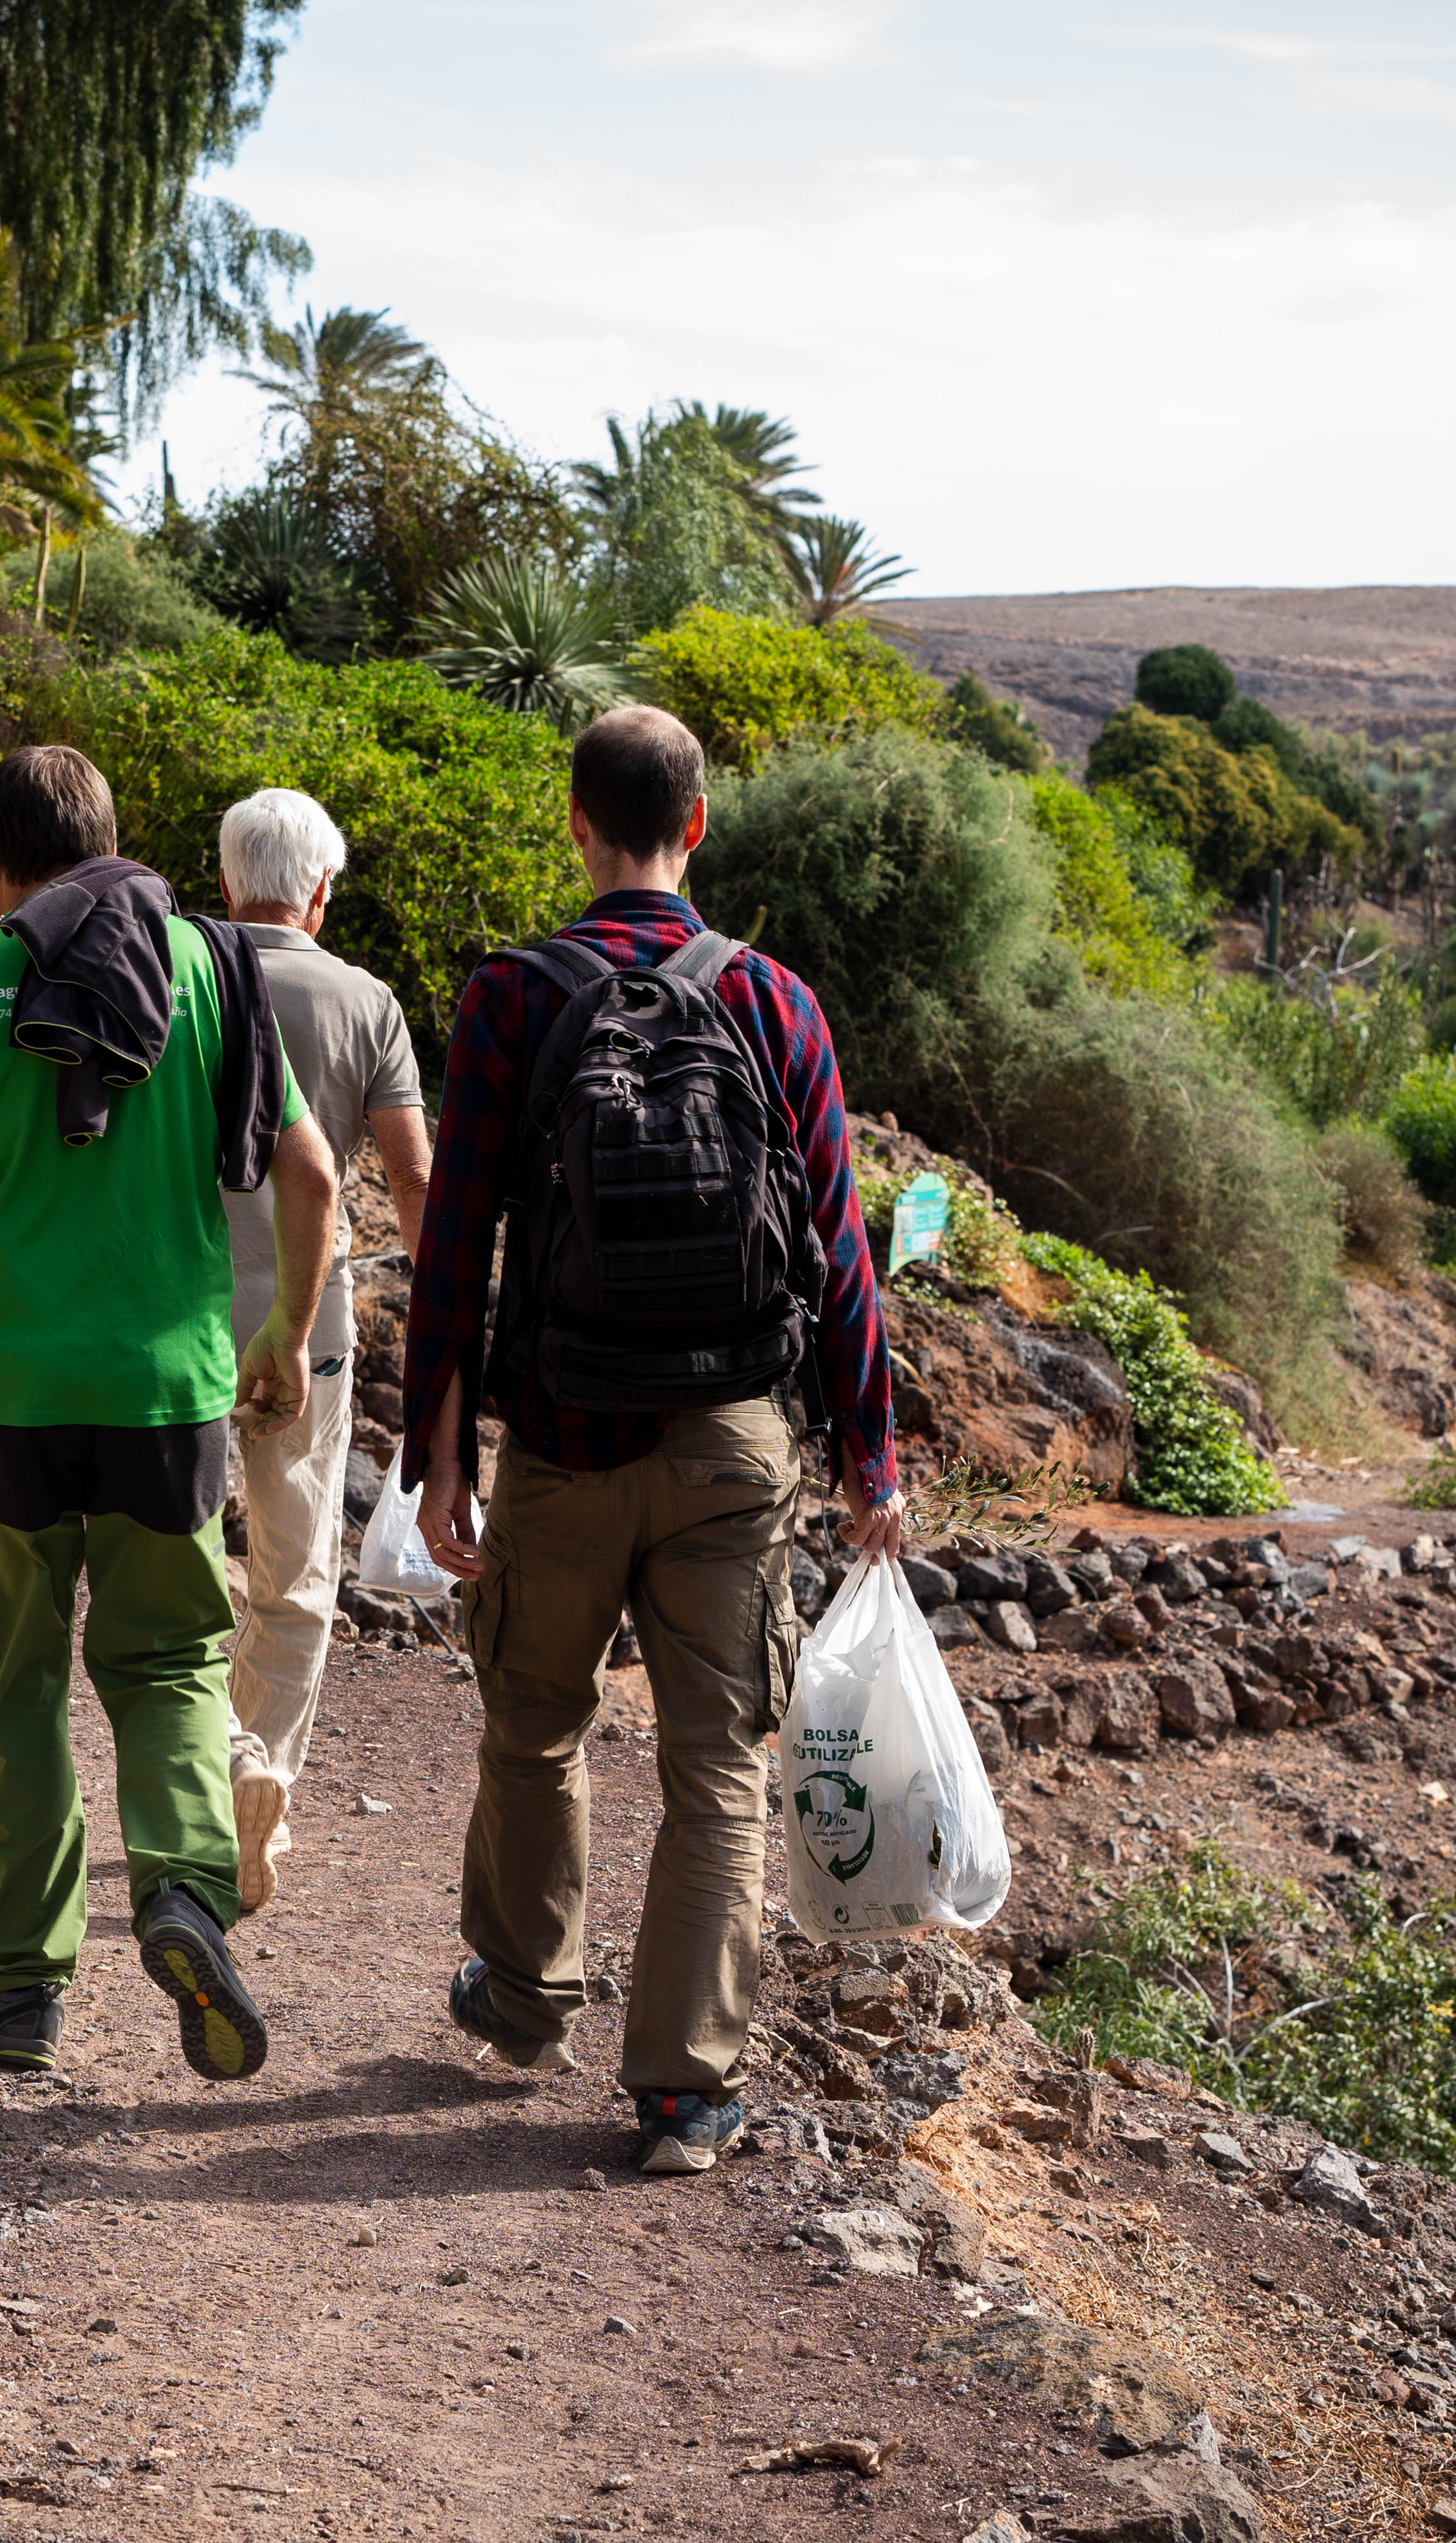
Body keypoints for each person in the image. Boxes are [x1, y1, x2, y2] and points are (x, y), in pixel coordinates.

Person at [402, 703, 903, 2177]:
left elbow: (456, 1238)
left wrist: (440, 1449)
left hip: (561, 1436)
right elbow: (838, 1249)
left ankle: (523, 1994)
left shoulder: (511, 994)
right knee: (715, 1764)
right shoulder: (774, 1002)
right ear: (697, 825)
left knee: (533, 1717)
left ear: (575, 820)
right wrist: (869, 1456)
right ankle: (684, 2088)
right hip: (731, 1444)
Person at [0, 746, 344, 2083]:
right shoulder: (210, 970)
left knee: (21, 1679)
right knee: (169, 1662)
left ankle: (21, 1985)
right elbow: (313, 1175)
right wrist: (280, 1333)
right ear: (110, 842)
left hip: (7, 1391)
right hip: (170, 1393)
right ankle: (179, 1888)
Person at [211, 787, 434, 1911]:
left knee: (184, 1562)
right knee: (295, 1576)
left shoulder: (181, 972)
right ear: (322, 891)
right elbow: (413, 1174)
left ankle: (208, 1768)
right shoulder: (365, 999)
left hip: (185, 1323)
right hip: (312, 1330)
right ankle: (264, 1766)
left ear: (224, 878)